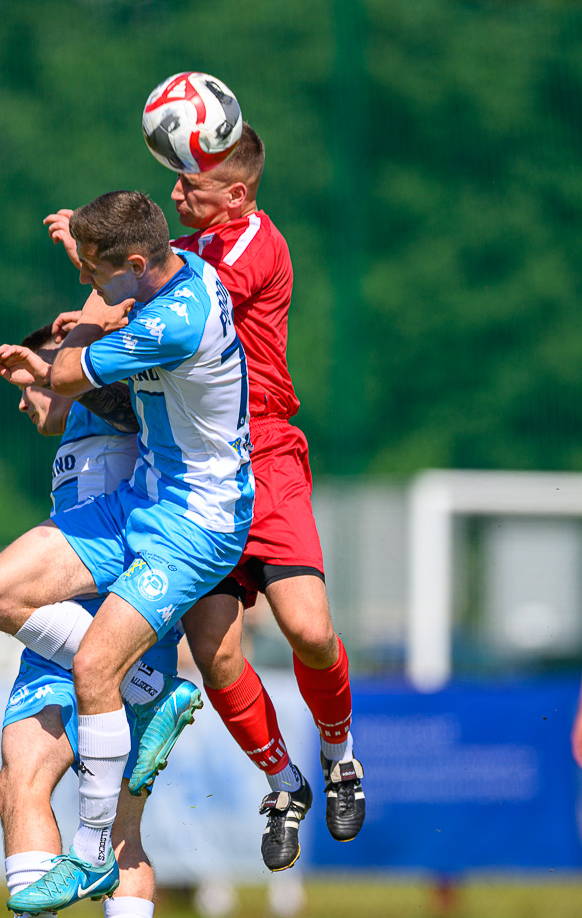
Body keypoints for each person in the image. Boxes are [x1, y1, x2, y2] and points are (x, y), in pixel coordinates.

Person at [45, 124, 366, 873]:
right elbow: (140, 280)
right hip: (194, 472)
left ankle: (339, 754)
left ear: (238, 192)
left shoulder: (247, 245)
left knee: (308, 629)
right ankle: (283, 783)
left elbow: (166, 297)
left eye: (191, 182)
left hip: (265, 451)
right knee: (216, 654)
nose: (176, 192)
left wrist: (101, 296)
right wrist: (98, 268)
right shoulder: (185, 252)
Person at [0, 190, 253, 918]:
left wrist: (74, 335)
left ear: (133, 264)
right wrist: (86, 253)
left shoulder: (177, 321)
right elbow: (123, 277)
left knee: (95, 668)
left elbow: (68, 376)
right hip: (143, 499)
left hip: (195, 522)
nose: (83, 284)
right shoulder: (172, 265)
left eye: (92, 270)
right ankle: (150, 694)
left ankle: (93, 854)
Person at [0, 323, 173, 918]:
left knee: (105, 817)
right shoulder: (73, 439)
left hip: (120, 611)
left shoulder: (123, 398)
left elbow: (118, 337)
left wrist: (68, 356)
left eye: (32, 386)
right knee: (24, 783)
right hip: (63, 623)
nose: (25, 400)